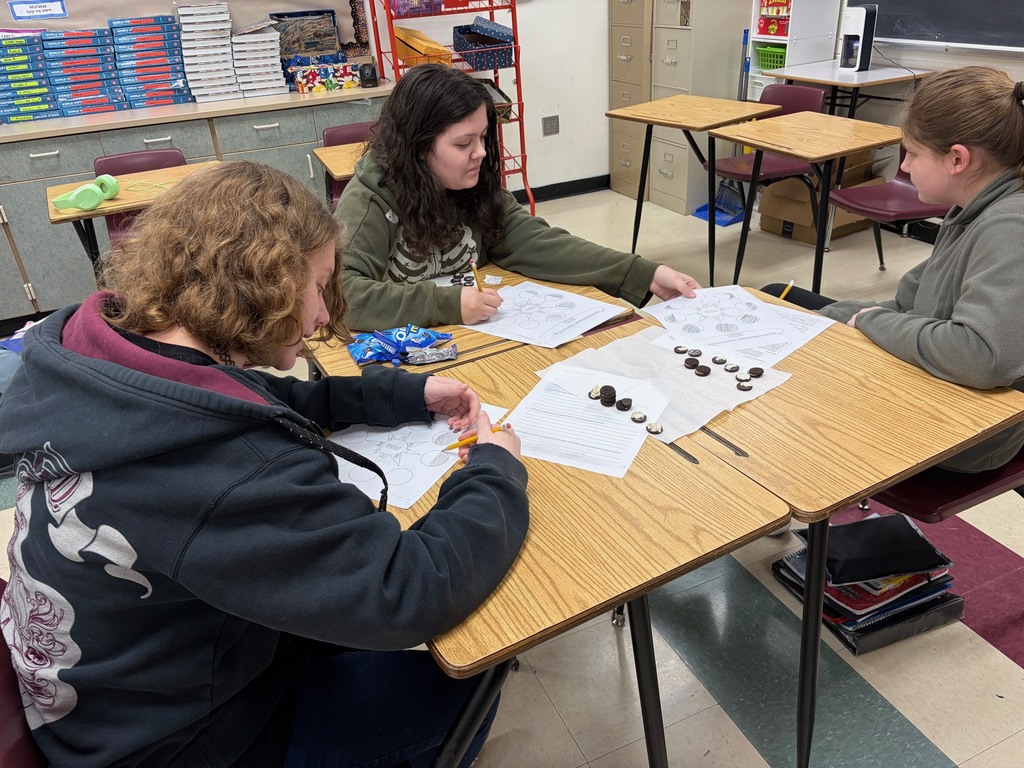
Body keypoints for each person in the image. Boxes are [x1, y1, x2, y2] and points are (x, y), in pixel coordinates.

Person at [0, 160, 529, 767]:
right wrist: (494, 467)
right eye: (317, 287)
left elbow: (260, 402)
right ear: (267, 283)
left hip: (102, 700)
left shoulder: (98, 358)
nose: (325, 315)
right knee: (464, 690)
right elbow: (407, 588)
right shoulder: (224, 468)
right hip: (167, 745)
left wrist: (405, 394)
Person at [764, 65, 1024, 475]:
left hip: (967, 434)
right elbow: (907, 301)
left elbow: (983, 357)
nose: (903, 169)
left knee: (791, 394)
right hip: (939, 382)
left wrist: (870, 322)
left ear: (957, 159)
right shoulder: (970, 208)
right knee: (779, 298)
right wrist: (814, 325)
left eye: (912, 154)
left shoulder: (1010, 227)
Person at [335, 63, 702, 332]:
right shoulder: (370, 202)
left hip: (475, 337)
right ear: (417, 147)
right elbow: (344, 296)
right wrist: (446, 304)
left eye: (482, 138)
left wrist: (645, 273)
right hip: (410, 352)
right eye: (463, 143)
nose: (479, 152)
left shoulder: (472, 185)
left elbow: (539, 243)